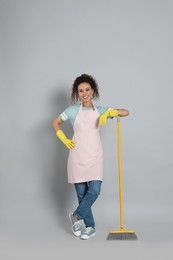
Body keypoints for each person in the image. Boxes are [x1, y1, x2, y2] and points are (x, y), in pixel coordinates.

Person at [52, 74, 129, 240]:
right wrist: (64, 139)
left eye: (87, 89)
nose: (84, 93)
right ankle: (90, 227)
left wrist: (110, 113)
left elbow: (126, 112)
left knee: (94, 191)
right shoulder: (72, 111)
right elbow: (55, 123)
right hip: (77, 156)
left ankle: (76, 216)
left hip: (94, 156)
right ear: (77, 93)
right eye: (81, 91)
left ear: (92, 90)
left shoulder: (100, 110)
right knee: (81, 194)